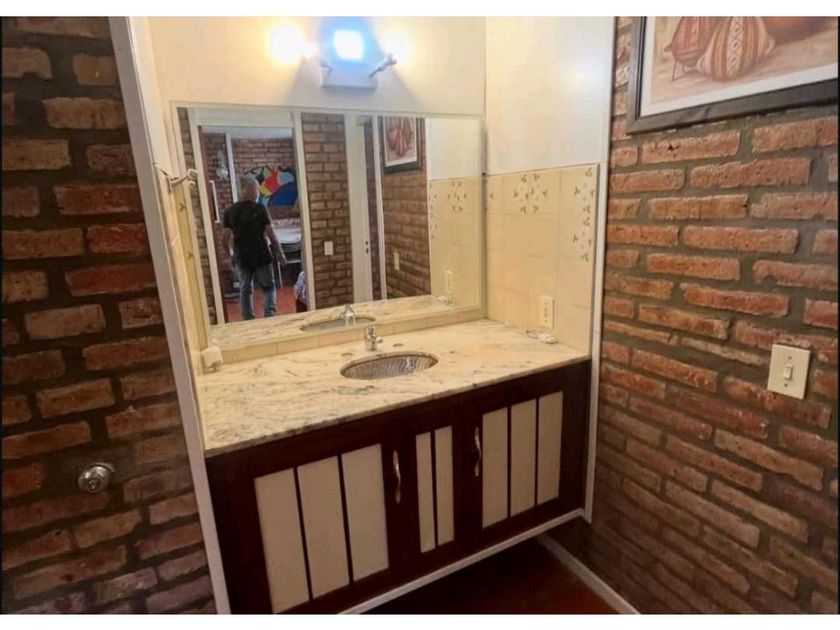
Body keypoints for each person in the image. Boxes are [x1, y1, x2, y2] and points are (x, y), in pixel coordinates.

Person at [222, 175, 285, 320]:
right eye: (256, 188)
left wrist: (230, 255)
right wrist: (280, 253)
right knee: (268, 287)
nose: (258, 191)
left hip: (242, 257)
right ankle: (270, 318)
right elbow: (271, 235)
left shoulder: (230, 211)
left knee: (245, 290)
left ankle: (248, 320)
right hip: (261, 255)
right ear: (247, 189)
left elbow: (224, 239)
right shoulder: (260, 209)